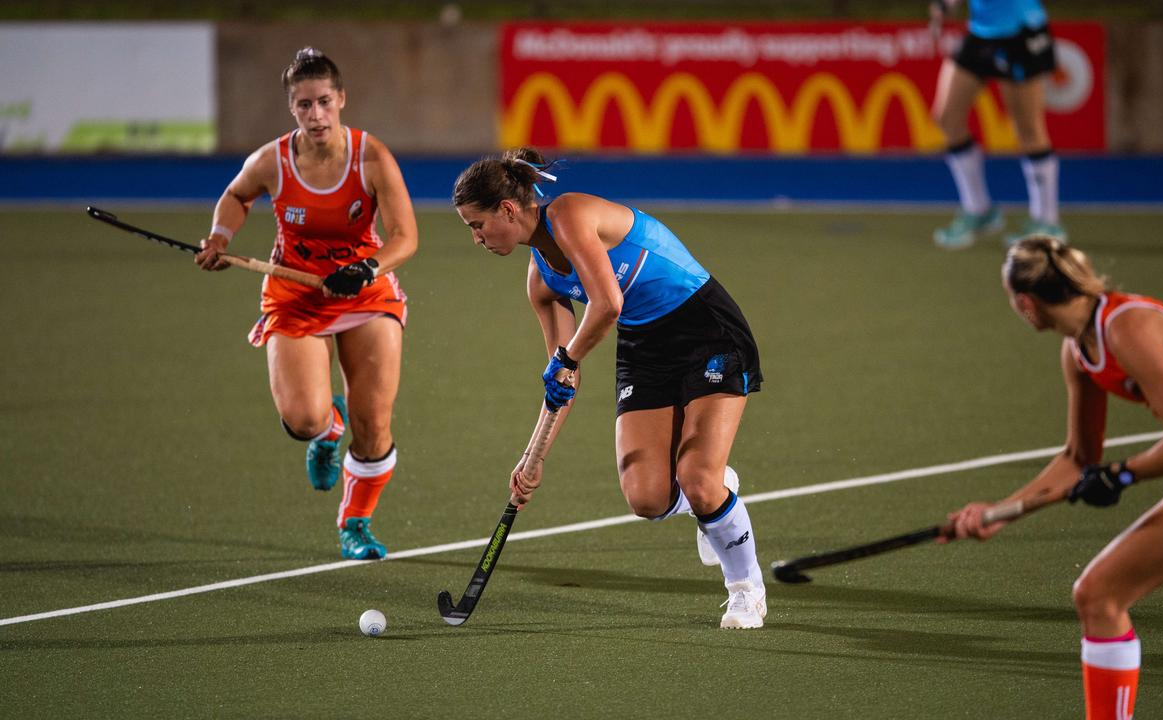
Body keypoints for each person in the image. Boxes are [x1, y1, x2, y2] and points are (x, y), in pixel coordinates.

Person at [943, 236, 1163, 718]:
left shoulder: (1127, 328)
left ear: (1025, 302)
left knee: (1098, 595)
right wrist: (999, 513)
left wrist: (1121, 475)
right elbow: (1079, 459)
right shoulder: (1078, 350)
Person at [452, 147, 768, 629]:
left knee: (697, 480)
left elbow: (608, 304)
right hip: (646, 344)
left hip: (705, 328)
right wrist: (532, 457)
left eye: (477, 224)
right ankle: (717, 492)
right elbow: (562, 377)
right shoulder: (541, 279)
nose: (475, 238)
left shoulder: (570, 213)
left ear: (509, 210)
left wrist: (568, 358)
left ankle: (745, 590)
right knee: (647, 498)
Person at [194, 48, 418, 560]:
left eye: (323, 102)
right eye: (303, 105)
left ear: (341, 100)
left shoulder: (372, 158)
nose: (315, 114)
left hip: (365, 291)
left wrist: (367, 268)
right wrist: (220, 236)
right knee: (303, 420)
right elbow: (236, 195)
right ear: (291, 108)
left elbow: (405, 238)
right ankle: (327, 428)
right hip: (295, 296)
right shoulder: (271, 160)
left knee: (375, 424)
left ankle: (355, 524)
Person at [929, 0, 1067, 249]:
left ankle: (1047, 222)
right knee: (947, 118)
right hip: (982, 32)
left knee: (1028, 130)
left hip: (1020, 33)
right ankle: (979, 210)